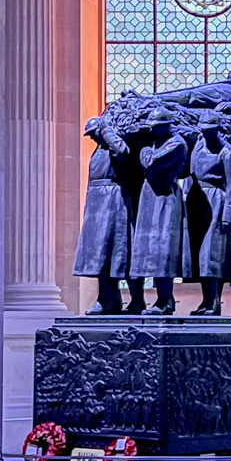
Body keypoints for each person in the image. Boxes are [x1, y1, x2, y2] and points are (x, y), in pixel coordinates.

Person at [74, 117, 137, 315]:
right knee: (100, 255)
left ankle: (133, 299)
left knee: (117, 252)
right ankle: (107, 299)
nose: (92, 138)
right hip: (96, 203)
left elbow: (122, 152)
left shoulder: (113, 144)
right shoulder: (98, 150)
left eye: (94, 133)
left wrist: (108, 132)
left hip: (112, 201)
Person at [185, 110, 231, 315]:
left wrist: (230, 215)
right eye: (204, 130)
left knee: (213, 255)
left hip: (217, 202)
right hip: (197, 202)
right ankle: (205, 301)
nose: (207, 134)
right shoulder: (198, 146)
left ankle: (213, 302)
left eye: (211, 130)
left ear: (218, 130)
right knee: (199, 256)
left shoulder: (228, 153)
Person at [130, 108, 189, 314]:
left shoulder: (177, 144)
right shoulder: (156, 143)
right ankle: (150, 300)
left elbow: (151, 163)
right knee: (148, 248)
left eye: (155, 127)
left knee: (163, 249)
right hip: (150, 197)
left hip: (165, 196)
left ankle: (165, 301)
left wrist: (143, 150)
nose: (152, 131)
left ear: (166, 126)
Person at [155, 74, 231, 117]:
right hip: (221, 89)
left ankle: (155, 100)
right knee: (190, 94)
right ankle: (154, 99)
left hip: (224, 97)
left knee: (192, 96)